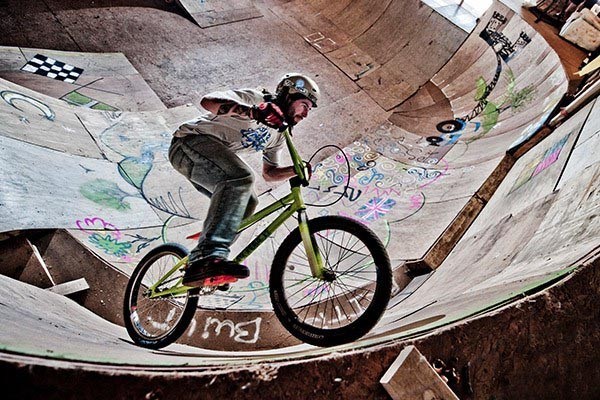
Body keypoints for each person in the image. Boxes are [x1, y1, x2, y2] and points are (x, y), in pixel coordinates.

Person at [168, 73, 320, 287]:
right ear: (289, 96)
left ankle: (209, 262)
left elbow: (270, 173)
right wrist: (252, 112)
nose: (305, 114)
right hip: (188, 143)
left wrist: (294, 171)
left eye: (309, 110)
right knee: (242, 178)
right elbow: (207, 102)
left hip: (204, 164)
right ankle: (209, 255)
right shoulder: (256, 98)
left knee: (249, 202)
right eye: (304, 105)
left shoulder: (277, 135)